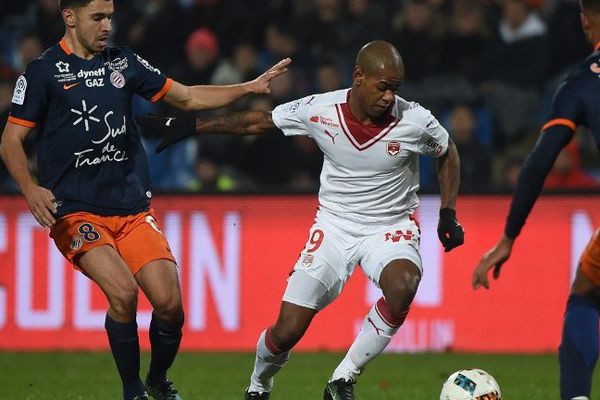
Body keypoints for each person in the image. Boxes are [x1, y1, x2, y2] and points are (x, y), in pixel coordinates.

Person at [138, 40, 464, 400]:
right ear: (358, 77)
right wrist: (191, 127)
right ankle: (258, 385)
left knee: (403, 285)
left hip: (390, 227)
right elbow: (257, 121)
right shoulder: (320, 109)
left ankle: (343, 379)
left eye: (395, 88)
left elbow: (447, 150)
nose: (389, 97)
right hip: (334, 227)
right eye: (383, 86)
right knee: (287, 331)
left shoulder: (414, 120)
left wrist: (447, 211)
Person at [0, 1, 290, 400]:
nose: (107, 26)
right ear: (70, 17)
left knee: (170, 305)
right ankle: (133, 391)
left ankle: (156, 380)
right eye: (97, 17)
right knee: (123, 293)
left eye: (110, 16)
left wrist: (246, 87)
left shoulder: (124, 63)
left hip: (132, 208)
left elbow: (186, 97)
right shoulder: (43, 71)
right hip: (75, 208)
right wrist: (29, 188)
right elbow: (11, 140)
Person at [472, 1, 600, 399]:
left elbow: (539, 162)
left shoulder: (581, 81)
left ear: (584, 21)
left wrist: (509, 237)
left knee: (587, 291)